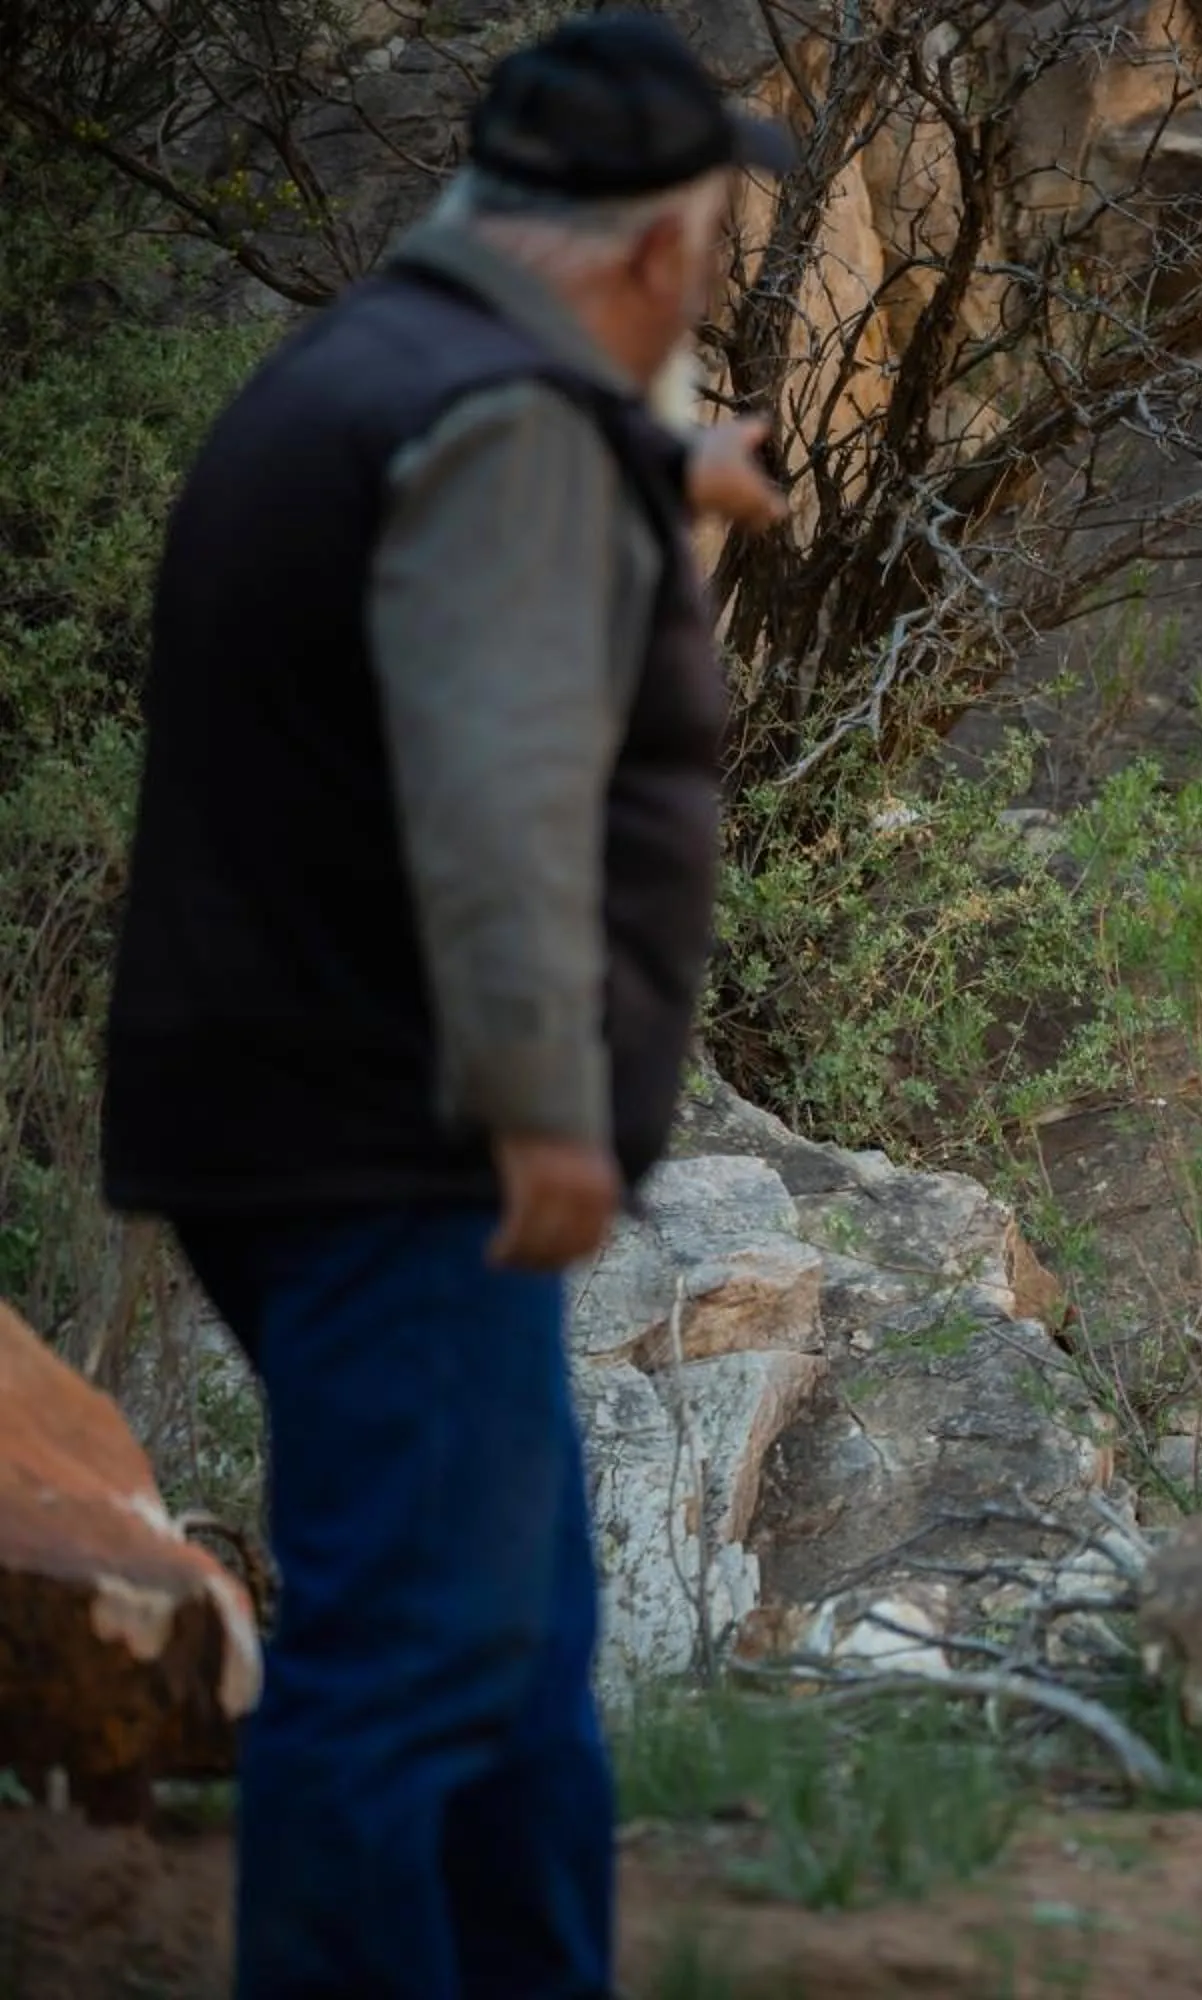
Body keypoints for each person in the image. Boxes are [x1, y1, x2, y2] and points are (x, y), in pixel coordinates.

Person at [99, 13, 792, 1994]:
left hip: (303, 1114)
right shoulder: (505, 434)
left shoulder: (381, 375)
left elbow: (461, 550)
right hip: (399, 1137)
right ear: (657, 251)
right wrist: (545, 1102)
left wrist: (672, 472)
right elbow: (492, 798)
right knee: (413, 1670)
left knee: (507, 1661)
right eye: (719, 233)